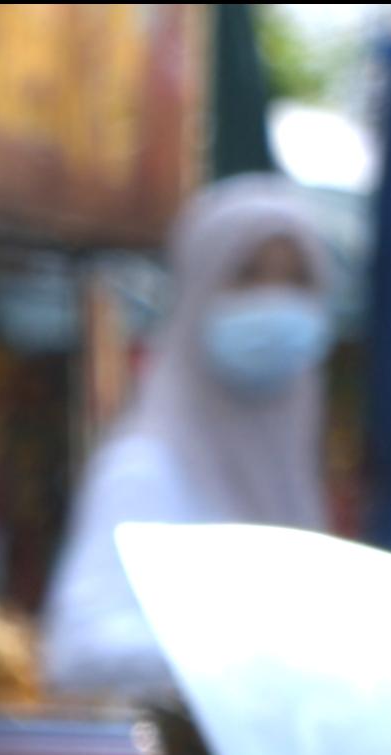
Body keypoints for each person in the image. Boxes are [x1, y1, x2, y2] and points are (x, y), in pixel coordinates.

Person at [40, 176, 337, 702]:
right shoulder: (144, 470)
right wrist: (258, 655)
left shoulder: (290, 475)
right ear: (198, 292)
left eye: (297, 279)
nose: (274, 299)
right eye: (248, 275)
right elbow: (78, 652)